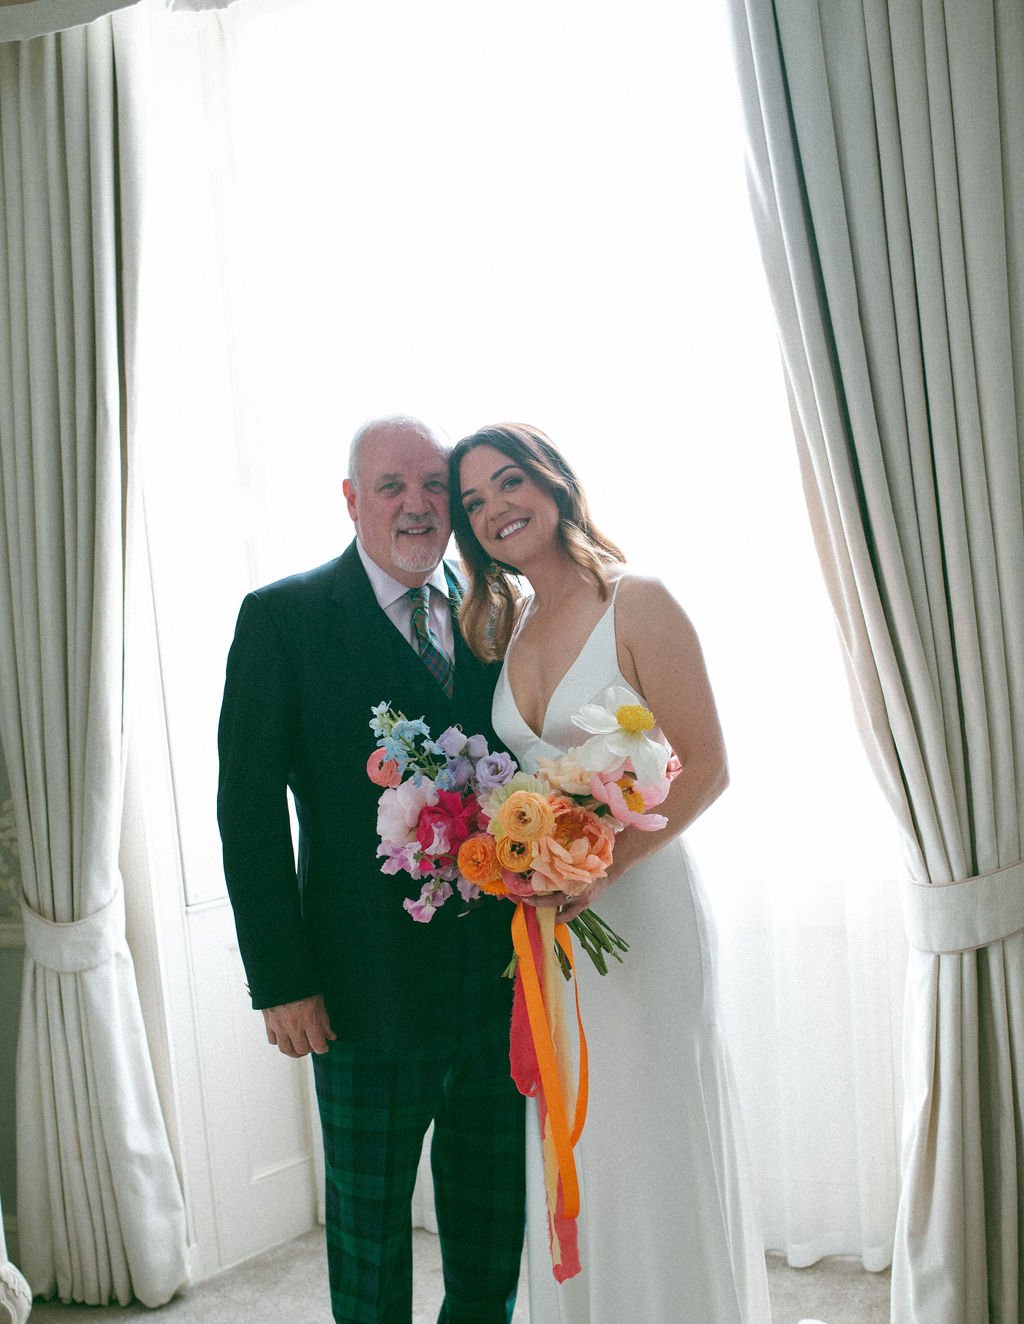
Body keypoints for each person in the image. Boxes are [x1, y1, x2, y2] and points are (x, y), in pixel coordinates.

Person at [450, 423, 771, 1322]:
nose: (494, 509)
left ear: (553, 482)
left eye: (508, 483)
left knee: (652, 1124)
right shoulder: (506, 629)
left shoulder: (639, 602)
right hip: (555, 928)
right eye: (474, 502)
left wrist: (602, 866)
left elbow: (706, 766)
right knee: (579, 1134)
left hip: (643, 911)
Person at [216, 416, 526, 1324]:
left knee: (492, 1228)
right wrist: (282, 980)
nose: (417, 504)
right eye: (392, 486)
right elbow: (247, 813)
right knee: (369, 1234)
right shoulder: (283, 619)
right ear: (353, 500)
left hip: (498, 986)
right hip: (362, 994)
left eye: (434, 485)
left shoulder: (500, 612)